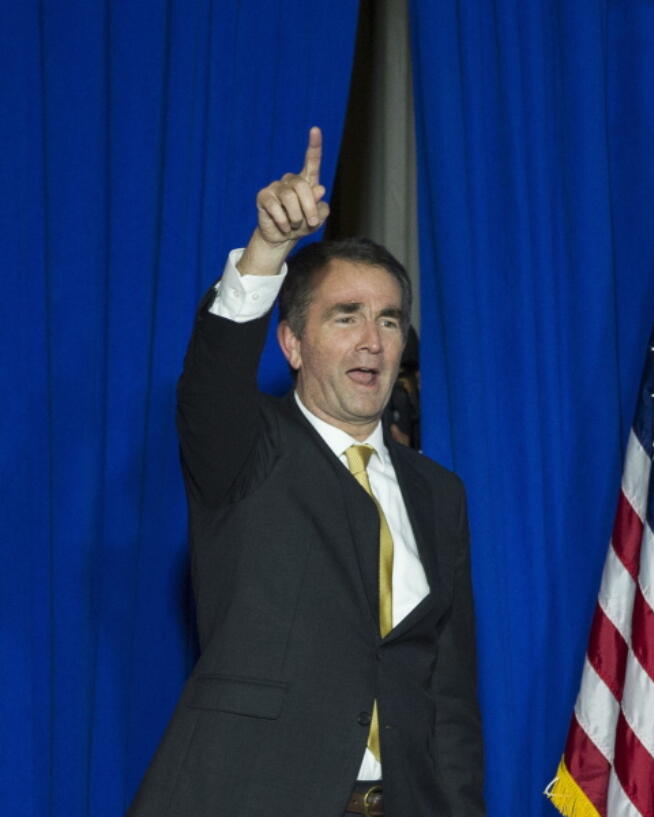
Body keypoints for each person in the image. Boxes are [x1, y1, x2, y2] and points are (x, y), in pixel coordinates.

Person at [128, 128, 485, 817]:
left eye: (387, 319)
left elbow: (449, 701)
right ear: (291, 342)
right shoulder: (246, 447)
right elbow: (211, 378)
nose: (371, 341)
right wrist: (266, 250)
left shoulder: (440, 494)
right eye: (344, 317)